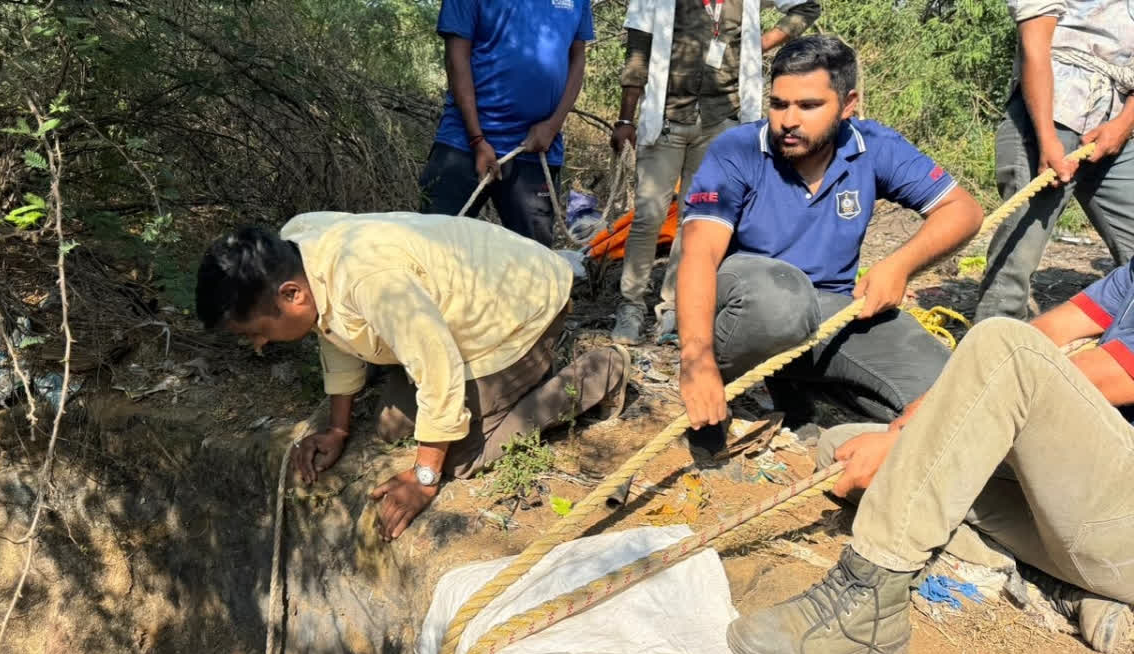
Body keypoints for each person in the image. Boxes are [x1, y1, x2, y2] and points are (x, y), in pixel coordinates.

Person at [726, 262, 1134, 654]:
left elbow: (1084, 374)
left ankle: (871, 594)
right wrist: (931, 414)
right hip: (1092, 503)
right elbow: (1048, 333)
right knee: (844, 449)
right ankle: (1067, 583)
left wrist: (928, 423)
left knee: (1003, 346)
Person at [194, 212, 630, 541]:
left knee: (456, 459)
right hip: (462, 309)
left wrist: (424, 476)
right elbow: (331, 327)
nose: (260, 345)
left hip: (519, 310)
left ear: (292, 295)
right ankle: (517, 382)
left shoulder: (370, 279)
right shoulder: (298, 248)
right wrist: (339, 428)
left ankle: (598, 372)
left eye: (257, 331)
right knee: (391, 425)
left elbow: (436, 365)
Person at [676, 35, 984, 451]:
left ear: (848, 104)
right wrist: (696, 359)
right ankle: (717, 395)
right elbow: (699, 253)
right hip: (749, 306)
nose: (788, 120)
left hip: (832, 314)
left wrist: (899, 264)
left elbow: (963, 210)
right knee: (782, 299)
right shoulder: (738, 150)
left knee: (950, 392)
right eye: (779, 103)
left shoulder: (874, 147)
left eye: (808, 106)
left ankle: (798, 385)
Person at [610, 0, 822, 344]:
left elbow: (807, 6)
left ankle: (676, 307)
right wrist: (624, 118)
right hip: (666, 120)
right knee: (649, 215)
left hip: (722, 122)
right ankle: (631, 304)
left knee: (695, 221)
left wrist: (762, 44)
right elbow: (637, 54)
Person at [975, 0, 1134, 321]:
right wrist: (1047, 138)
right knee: (1019, 254)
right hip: (1053, 112)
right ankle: (995, 348)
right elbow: (1036, 48)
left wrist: (1123, 125)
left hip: (1115, 123)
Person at [417, 0, 594, 247]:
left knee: (534, 263)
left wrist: (553, 126)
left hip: (535, 151)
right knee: (431, 251)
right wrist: (477, 139)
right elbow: (456, 58)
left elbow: (577, 59)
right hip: (463, 146)